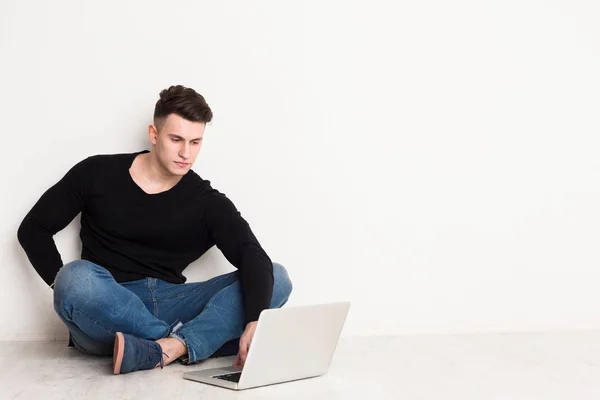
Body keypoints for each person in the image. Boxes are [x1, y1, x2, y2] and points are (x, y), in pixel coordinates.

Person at [17, 85, 293, 374]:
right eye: (176, 139)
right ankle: (193, 340)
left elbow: (252, 254)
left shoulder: (206, 201)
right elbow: (34, 229)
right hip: (109, 305)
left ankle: (165, 348)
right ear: (154, 134)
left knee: (277, 277)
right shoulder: (97, 173)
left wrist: (254, 322)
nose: (186, 153)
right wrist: (62, 287)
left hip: (172, 301)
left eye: (196, 142)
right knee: (75, 278)